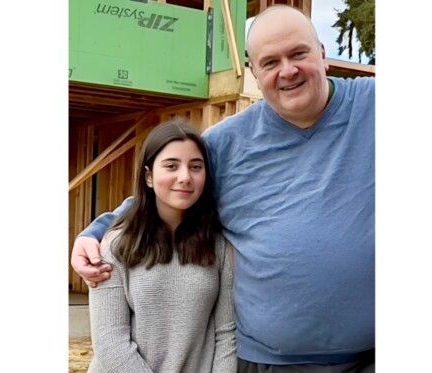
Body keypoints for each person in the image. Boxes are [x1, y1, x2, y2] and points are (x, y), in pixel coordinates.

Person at [72, 5, 375, 373]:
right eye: (270, 62)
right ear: (254, 73)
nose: (288, 71)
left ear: (323, 54)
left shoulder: (373, 106)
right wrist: (96, 230)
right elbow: (169, 190)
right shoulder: (227, 143)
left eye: (299, 53)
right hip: (266, 363)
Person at [85, 118, 237, 373]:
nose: (185, 177)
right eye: (171, 166)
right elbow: (110, 341)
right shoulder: (116, 244)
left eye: (196, 166)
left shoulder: (218, 246)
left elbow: (227, 336)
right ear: (148, 176)